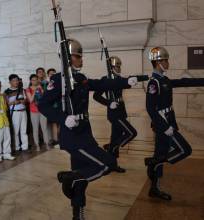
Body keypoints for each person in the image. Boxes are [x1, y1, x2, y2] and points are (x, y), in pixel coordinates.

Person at [38, 38, 142, 220]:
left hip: (85, 134)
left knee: (81, 177)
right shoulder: (59, 80)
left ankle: (77, 213)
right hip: (73, 136)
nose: (81, 59)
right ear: (68, 58)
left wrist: (126, 82)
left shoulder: (81, 78)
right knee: (107, 163)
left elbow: (102, 84)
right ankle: (69, 178)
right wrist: (63, 118)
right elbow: (43, 104)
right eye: (78, 56)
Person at [145, 47, 204, 201]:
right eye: (165, 60)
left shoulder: (164, 80)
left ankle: (154, 188)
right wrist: (165, 128)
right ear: (158, 62)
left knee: (161, 153)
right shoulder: (154, 83)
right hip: (164, 125)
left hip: (169, 122)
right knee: (185, 149)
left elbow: (184, 82)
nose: (168, 62)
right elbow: (150, 109)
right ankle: (154, 162)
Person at [93, 56, 138, 173]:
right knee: (132, 133)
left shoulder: (119, 79)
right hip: (114, 114)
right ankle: (112, 147)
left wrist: (140, 78)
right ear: (111, 67)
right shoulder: (105, 80)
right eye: (116, 66)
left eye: (119, 66)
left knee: (115, 137)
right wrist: (108, 103)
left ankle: (112, 164)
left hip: (121, 112)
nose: (119, 68)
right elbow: (96, 96)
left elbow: (127, 83)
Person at [4, 74, 28, 152]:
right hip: (14, 113)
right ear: (10, 82)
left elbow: (25, 100)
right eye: (14, 80)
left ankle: (25, 147)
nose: (16, 82)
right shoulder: (6, 92)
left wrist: (22, 101)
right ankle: (17, 147)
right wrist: (14, 102)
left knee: (24, 130)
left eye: (17, 80)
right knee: (15, 131)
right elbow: (6, 104)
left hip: (23, 111)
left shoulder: (22, 90)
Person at [26, 74, 49, 151]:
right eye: (33, 80)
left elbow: (45, 98)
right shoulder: (28, 89)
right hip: (33, 111)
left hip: (42, 110)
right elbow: (30, 100)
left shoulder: (41, 87)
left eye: (36, 80)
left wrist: (41, 90)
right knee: (35, 129)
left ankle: (47, 143)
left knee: (44, 128)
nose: (34, 81)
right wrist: (35, 90)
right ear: (30, 81)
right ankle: (37, 145)